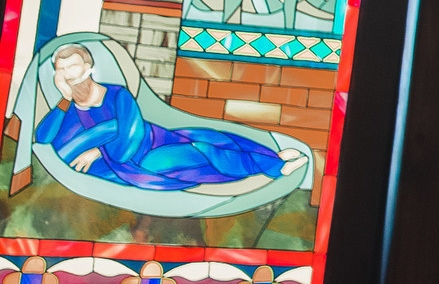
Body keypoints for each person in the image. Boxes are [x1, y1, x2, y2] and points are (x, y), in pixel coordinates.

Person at [40, 40, 290, 195]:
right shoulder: (68, 111)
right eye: (61, 70)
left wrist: (96, 149)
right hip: (134, 168)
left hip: (153, 143)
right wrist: (65, 98)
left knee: (207, 141)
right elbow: (44, 139)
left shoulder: (118, 95)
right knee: (198, 156)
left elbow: (129, 142)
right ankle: (271, 164)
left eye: (73, 67)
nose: (68, 74)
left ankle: (272, 160)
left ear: (88, 67)